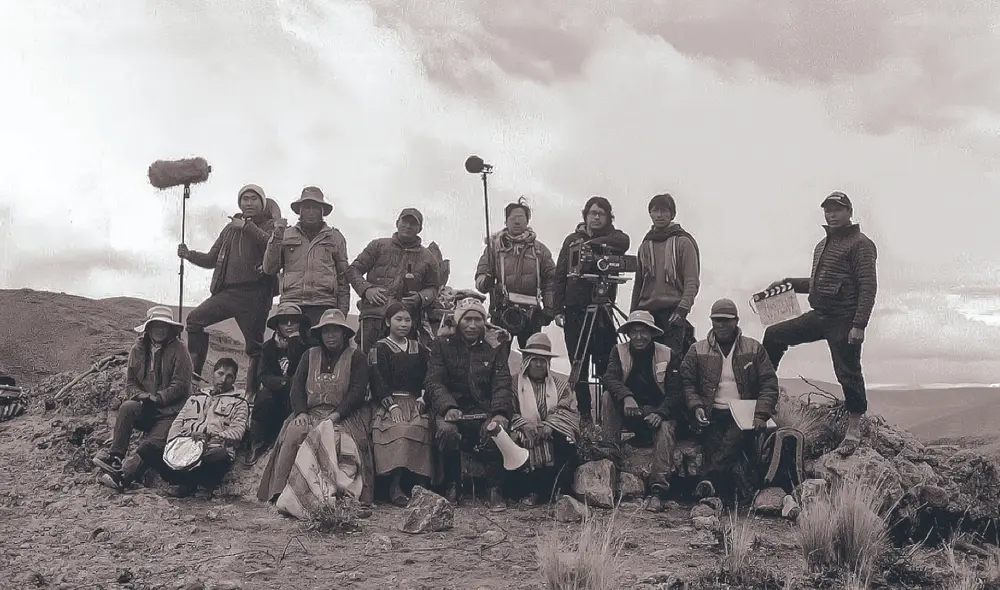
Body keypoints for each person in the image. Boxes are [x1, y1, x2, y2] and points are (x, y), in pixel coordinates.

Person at [761, 192, 877, 457]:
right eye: (827, 210)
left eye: (837, 210)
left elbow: (868, 287)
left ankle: (854, 428)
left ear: (849, 212)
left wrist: (859, 324)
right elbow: (817, 285)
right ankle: (766, 393)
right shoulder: (822, 245)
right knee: (774, 335)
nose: (831, 214)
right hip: (820, 315)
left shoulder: (861, 244)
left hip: (845, 320)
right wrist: (786, 283)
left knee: (847, 371)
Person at [256, 309, 374, 505]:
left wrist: (336, 415)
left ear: (344, 333)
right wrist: (301, 412)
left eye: (335, 331)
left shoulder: (357, 357)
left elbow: (357, 392)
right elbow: (296, 388)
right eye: (326, 331)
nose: (330, 336)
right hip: (310, 412)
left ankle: (341, 495)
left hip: (344, 415)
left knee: (342, 441)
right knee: (294, 433)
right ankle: (281, 491)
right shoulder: (309, 355)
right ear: (320, 335)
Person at [178, 184, 277, 392]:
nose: (248, 203)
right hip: (228, 292)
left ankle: (251, 393)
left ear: (262, 202)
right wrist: (189, 255)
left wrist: (247, 227)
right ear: (239, 202)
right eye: (245, 199)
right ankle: (194, 377)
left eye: (253, 199)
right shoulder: (230, 228)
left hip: (256, 295)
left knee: (255, 348)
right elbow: (212, 258)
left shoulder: (271, 225)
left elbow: (273, 247)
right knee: (195, 319)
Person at [680, 299, 779, 502]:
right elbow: (687, 383)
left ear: (736, 321)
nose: (721, 325)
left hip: (744, 413)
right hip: (711, 412)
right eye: (716, 321)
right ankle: (723, 496)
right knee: (715, 445)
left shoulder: (754, 348)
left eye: (726, 320)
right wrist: (696, 406)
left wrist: (761, 414)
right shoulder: (697, 350)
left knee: (733, 440)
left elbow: (769, 384)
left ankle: (708, 482)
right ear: (711, 321)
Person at [424, 298, 514, 511]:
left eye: (478, 319)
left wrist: (500, 412)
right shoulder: (441, 346)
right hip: (451, 410)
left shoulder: (494, 348)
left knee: (496, 430)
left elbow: (502, 383)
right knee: (446, 432)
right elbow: (434, 381)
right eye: (467, 319)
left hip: (484, 410)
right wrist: (448, 407)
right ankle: (453, 485)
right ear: (458, 322)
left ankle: (494, 489)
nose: (473, 325)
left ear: (484, 322)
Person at [94, 306, 193, 492]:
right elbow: (130, 383)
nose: (160, 330)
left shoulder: (180, 350)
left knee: (150, 445)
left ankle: (124, 477)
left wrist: (160, 398)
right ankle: (115, 456)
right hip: (147, 407)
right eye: (156, 325)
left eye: (164, 326)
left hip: (172, 412)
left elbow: (181, 384)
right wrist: (142, 396)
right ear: (148, 327)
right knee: (127, 408)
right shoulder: (137, 350)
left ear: (170, 328)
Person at [553, 196, 631, 423]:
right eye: (592, 213)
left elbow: (624, 241)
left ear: (608, 217)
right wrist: (557, 309)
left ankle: (610, 417)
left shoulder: (614, 238)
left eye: (601, 214)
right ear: (585, 215)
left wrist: (591, 244)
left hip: (603, 311)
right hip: (575, 311)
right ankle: (585, 416)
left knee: (607, 363)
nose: (596, 217)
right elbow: (559, 277)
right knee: (579, 363)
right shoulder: (571, 240)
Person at [600, 310, 681, 512]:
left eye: (643, 332)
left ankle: (658, 491)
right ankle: (611, 460)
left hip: (657, 413)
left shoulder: (668, 354)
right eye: (634, 332)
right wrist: (626, 396)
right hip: (631, 412)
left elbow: (676, 393)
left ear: (652, 333)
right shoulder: (618, 351)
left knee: (665, 428)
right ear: (628, 333)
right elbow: (609, 378)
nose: (638, 337)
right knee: (607, 397)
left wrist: (661, 413)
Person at [348, 207, 441, 353]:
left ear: (420, 229)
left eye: (413, 224)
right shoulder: (377, 246)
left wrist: (420, 298)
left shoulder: (428, 257)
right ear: (397, 222)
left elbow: (434, 287)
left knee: (401, 366)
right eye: (405, 221)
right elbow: (353, 270)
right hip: (373, 317)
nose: (408, 226)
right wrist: (366, 290)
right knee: (366, 364)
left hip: (405, 322)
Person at [155, 357, 250, 498]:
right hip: (186, 447)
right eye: (220, 373)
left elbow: (238, 431)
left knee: (218, 455)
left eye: (229, 376)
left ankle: (189, 485)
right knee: (150, 449)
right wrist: (176, 442)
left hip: (213, 448)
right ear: (213, 373)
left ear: (234, 380)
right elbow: (177, 423)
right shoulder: (196, 397)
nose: (223, 380)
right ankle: (186, 483)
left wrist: (210, 436)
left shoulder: (239, 402)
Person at [368, 303, 434, 506]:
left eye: (407, 320)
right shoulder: (379, 348)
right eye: (398, 319)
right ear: (388, 322)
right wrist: (391, 405)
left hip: (415, 402)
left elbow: (430, 375)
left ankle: (420, 485)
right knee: (398, 430)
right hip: (389, 403)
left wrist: (425, 397)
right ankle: (394, 485)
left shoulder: (419, 348)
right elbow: (377, 380)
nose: (403, 324)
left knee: (421, 427)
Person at [262, 186, 352, 328]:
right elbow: (269, 269)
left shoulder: (335, 237)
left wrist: (341, 313)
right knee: (290, 347)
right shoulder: (285, 234)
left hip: (324, 303)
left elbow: (343, 277)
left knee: (319, 348)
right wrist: (277, 235)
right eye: (306, 207)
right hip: (291, 303)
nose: (311, 212)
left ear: (322, 211)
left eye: (315, 208)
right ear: (300, 211)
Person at [508, 333, 580, 506]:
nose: (539, 364)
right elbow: (507, 409)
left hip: (551, 432)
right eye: (534, 359)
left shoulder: (560, 385)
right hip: (524, 432)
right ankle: (530, 492)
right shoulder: (514, 384)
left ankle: (558, 491)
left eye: (543, 360)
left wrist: (549, 425)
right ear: (526, 360)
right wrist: (523, 425)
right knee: (516, 445)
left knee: (565, 443)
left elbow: (568, 410)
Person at [474, 198, 557, 349]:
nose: (517, 221)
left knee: (532, 356)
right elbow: (480, 278)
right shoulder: (493, 249)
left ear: (527, 221)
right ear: (506, 221)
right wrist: (485, 280)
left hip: (532, 314)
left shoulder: (540, 250)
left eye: (521, 217)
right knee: (497, 357)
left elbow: (551, 280)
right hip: (501, 312)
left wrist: (550, 308)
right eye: (512, 218)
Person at [631, 193, 701, 357]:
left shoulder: (683, 242)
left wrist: (682, 310)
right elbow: (639, 284)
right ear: (650, 214)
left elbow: (692, 281)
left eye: (664, 211)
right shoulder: (645, 245)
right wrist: (633, 314)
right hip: (646, 314)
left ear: (672, 214)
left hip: (672, 313)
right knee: (644, 362)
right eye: (655, 211)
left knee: (669, 364)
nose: (659, 215)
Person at [248, 302, 310, 461]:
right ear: (277, 325)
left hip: (299, 395)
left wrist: (295, 344)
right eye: (284, 321)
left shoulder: (308, 346)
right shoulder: (269, 346)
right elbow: (263, 374)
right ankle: (256, 443)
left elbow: (303, 372)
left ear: (300, 324)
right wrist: (283, 383)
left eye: (293, 321)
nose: (289, 325)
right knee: (263, 397)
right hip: (277, 392)